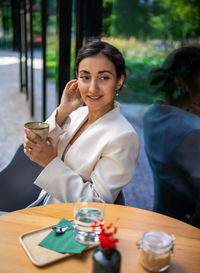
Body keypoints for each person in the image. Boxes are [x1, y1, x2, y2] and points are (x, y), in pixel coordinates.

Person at [23, 39, 139, 206]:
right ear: (77, 79)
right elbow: (40, 144)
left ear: (119, 81)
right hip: (42, 204)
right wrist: (63, 110)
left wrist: (49, 162)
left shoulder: (124, 136)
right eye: (85, 77)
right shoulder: (77, 114)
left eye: (104, 77)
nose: (93, 88)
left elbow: (97, 204)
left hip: (67, 223)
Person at [143, 46, 200, 228]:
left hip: (162, 218)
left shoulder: (153, 114)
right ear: (181, 82)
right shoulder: (192, 130)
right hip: (189, 226)